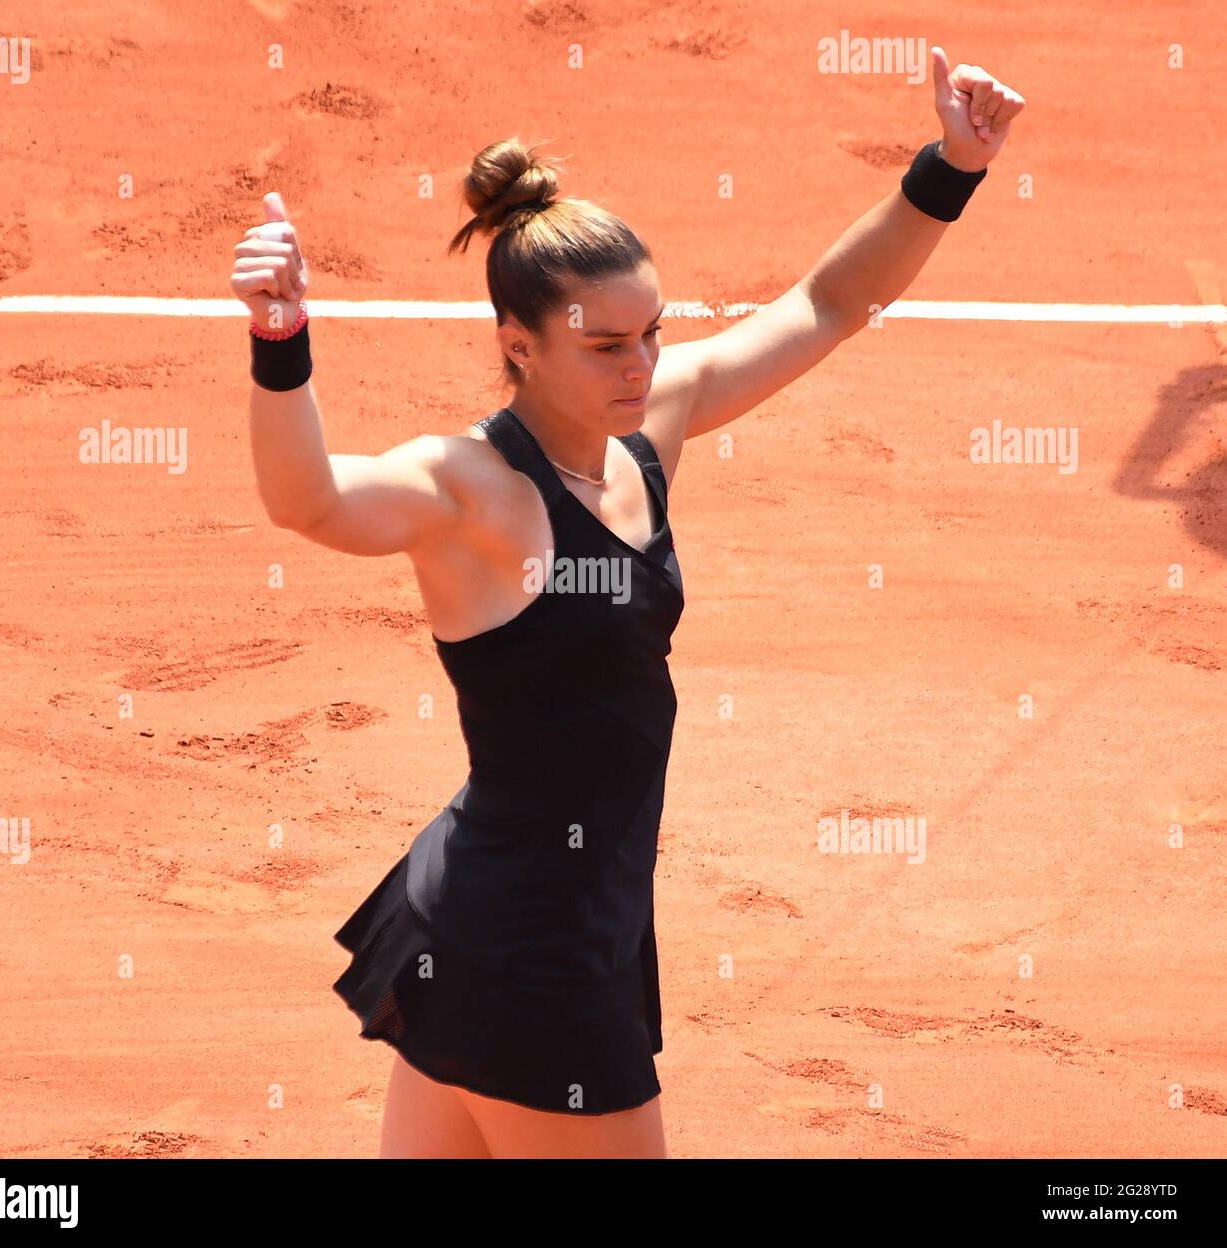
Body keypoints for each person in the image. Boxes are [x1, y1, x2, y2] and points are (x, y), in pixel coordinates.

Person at [229, 47, 1025, 1158]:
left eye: (651, 332)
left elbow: (831, 300)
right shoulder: (471, 492)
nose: (641, 367)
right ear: (518, 345)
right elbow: (307, 501)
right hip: (536, 953)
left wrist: (949, 165)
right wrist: (280, 344)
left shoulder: (647, 431)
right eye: (604, 346)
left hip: (500, 919)